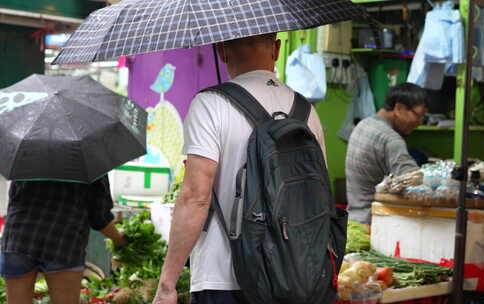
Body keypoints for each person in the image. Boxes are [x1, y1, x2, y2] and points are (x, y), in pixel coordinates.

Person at [152, 33, 326, 304]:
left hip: (223, 276)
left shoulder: (210, 104)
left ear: (221, 51)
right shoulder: (307, 112)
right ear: (277, 49)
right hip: (294, 276)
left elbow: (196, 197)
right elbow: (318, 197)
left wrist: (167, 283)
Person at [0, 176, 126, 304]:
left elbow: (13, 200)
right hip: (63, 242)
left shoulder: (26, 158)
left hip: (19, 237)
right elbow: (100, 217)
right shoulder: (91, 163)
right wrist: (119, 241)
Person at [345, 83, 428, 224]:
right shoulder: (391, 139)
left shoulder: (363, 125)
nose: (419, 122)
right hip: (374, 224)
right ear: (399, 108)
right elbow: (415, 185)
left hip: (354, 220)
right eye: (418, 115)